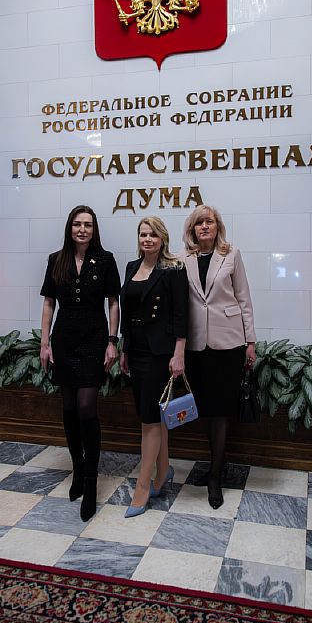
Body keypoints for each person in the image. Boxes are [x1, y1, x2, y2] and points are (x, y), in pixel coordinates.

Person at [40, 205, 120, 522]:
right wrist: (45, 343)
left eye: (88, 224)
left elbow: (113, 303)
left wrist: (112, 341)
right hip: (64, 339)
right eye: (77, 224)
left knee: (87, 407)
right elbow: (49, 303)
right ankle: (77, 467)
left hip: (94, 339)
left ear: (94, 229)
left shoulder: (106, 259)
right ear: (69, 228)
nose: (82, 229)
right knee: (69, 409)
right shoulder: (56, 260)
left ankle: (91, 479)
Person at [182, 206, 256, 510]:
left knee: (221, 410)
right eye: (199, 222)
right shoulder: (182, 259)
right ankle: (216, 463)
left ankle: (215, 474)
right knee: (204, 408)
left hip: (228, 343)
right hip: (196, 344)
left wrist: (250, 341)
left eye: (209, 221)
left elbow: (244, 298)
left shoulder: (231, 255)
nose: (204, 226)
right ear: (192, 229)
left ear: (217, 226)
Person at [120, 216, 188, 518]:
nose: (147, 239)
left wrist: (179, 353)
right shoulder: (131, 267)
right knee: (155, 415)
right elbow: (127, 312)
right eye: (143, 234)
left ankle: (143, 486)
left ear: (163, 239)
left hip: (160, 353)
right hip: (135, 349)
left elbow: (181, 314)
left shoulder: (173, 269)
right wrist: (124, 347)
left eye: (153, 235)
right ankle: (163, 471)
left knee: (149, 419)